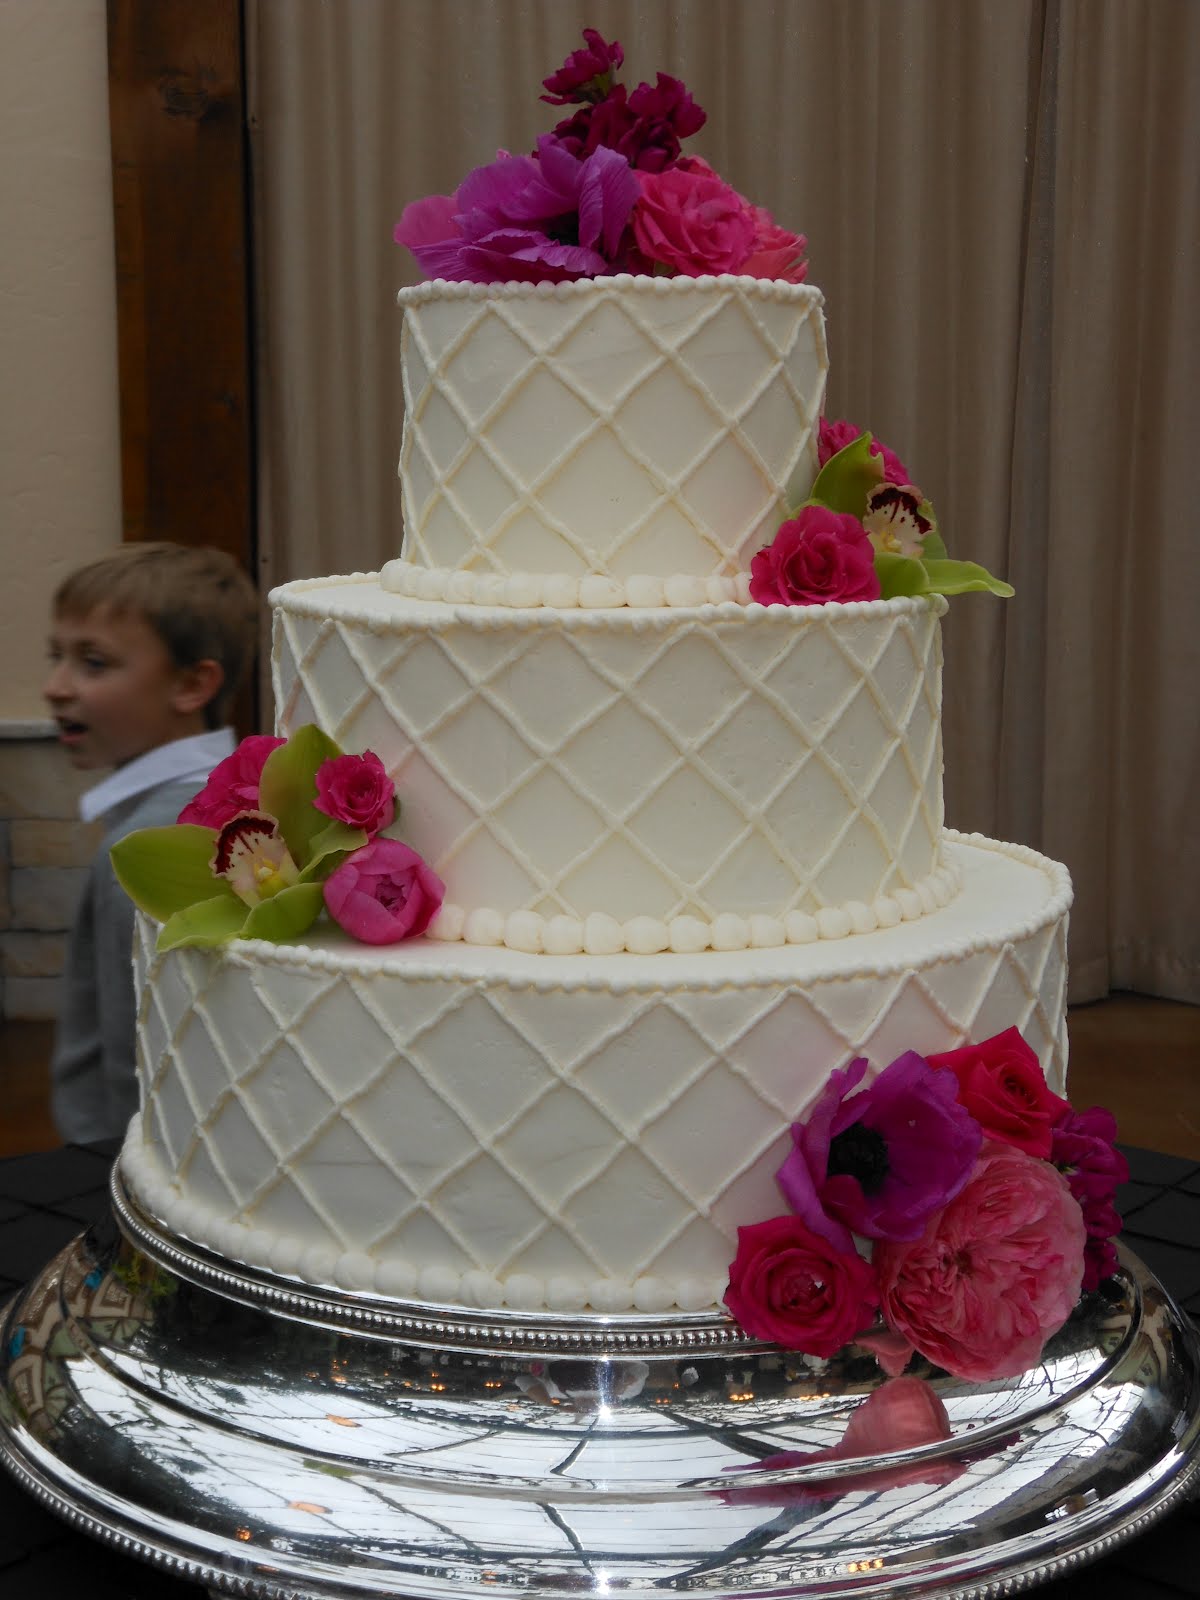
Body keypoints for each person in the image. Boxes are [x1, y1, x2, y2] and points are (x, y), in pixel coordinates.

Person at [43, 542, 260, 1143]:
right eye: (55, 657)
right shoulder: (227, 803)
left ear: (192, 684)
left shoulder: (148, 849)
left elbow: (136, 1061)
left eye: (93, 663)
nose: (56, 686)